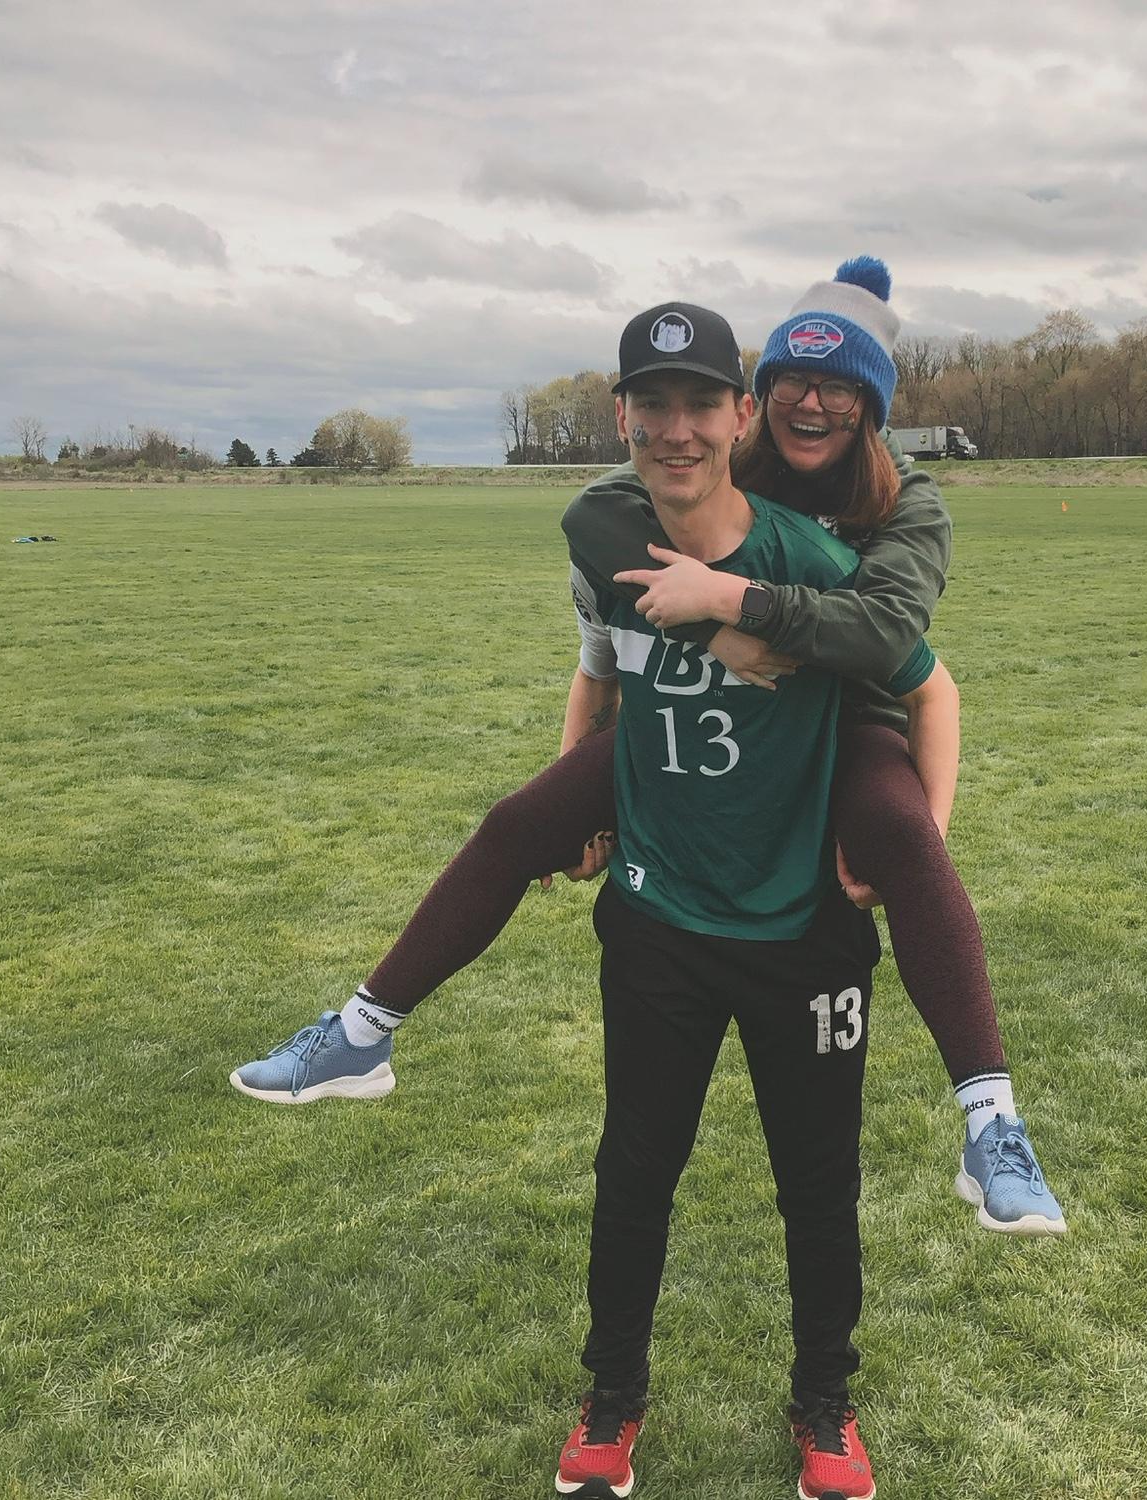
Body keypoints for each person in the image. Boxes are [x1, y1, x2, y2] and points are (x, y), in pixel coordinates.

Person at [228, 258, 1066, 1240]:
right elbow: (594, 518)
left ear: (871, 405)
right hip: (702, 715)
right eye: (792, 381)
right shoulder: (723, 462)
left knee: (907, 836)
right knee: (521, 821)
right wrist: (708, 642)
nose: (811, 402)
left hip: (844, 728)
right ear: (757, 402)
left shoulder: (905, 502)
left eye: (838, 387)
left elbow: (894, 643)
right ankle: (361, 1034)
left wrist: (737, 604)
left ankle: (992, 1127)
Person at [552, 300, 948, 1500]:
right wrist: (580, 792)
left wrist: (918, 845)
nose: (677, 428)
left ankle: (825, 1407)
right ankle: (611, 1400)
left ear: (734, 416)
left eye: (698, 404)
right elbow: (596, 671)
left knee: (819, 1185)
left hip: (806, 920)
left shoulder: (828, 546)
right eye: (652, 404)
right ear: (624, 414)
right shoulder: (618, 531)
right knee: (635, 1170)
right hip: (660, 917)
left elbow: (921, 675)